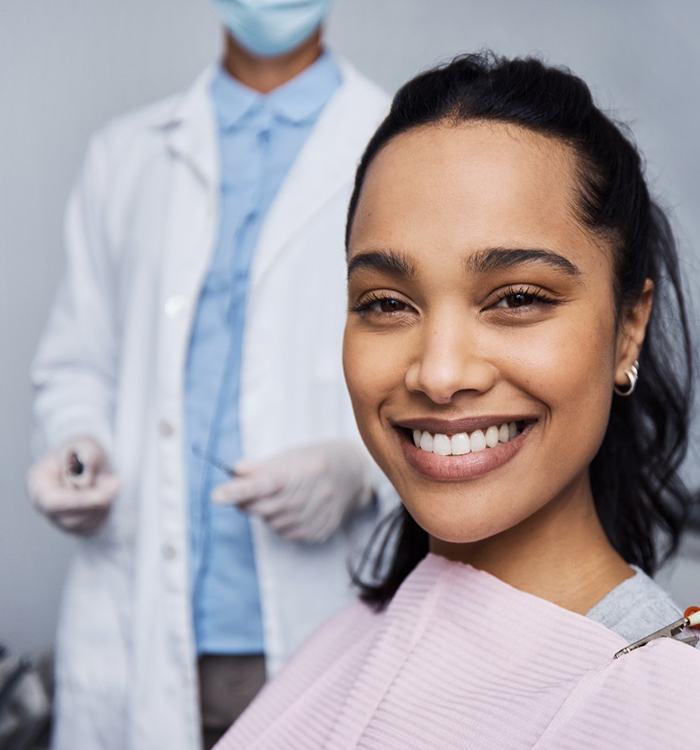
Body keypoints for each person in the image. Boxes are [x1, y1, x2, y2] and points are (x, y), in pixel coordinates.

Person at [216, 52, 700, 749]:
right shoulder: (350, 634)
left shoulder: (658, 705)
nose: (439, 375)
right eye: (386, 302)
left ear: (629, 328)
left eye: (518, 299)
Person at [26, 2, 393, 748]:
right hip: (135, 625)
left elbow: (440, 366)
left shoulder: (397, 145)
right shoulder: (125, 155)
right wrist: (78, 444)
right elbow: (77, 363)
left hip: (313, 623)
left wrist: (364, 471)